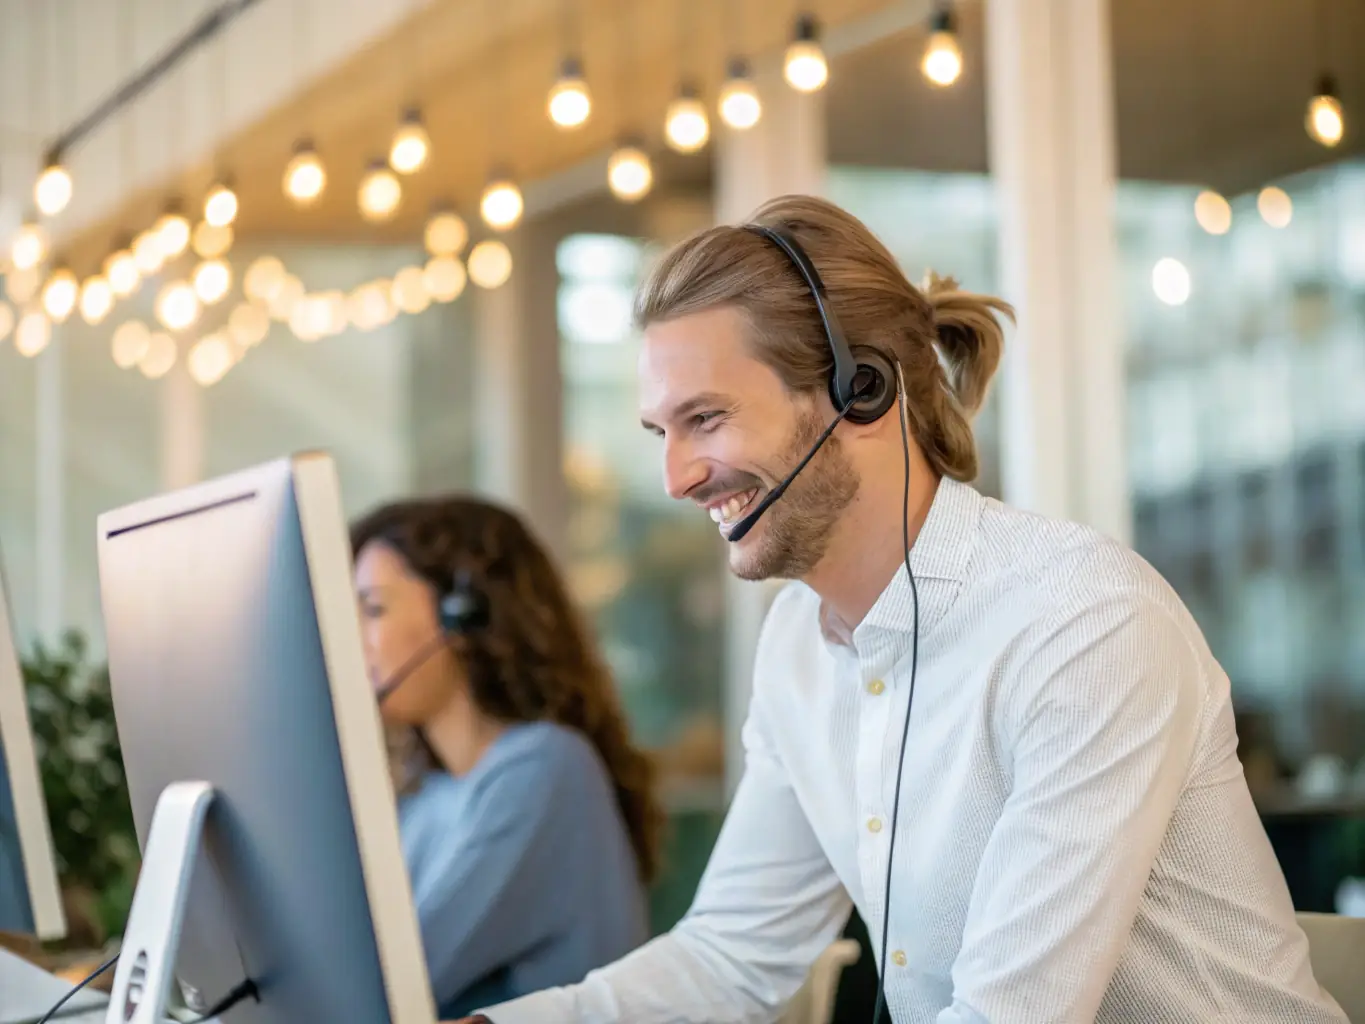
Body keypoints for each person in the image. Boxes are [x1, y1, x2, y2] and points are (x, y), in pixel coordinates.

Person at [459, 195, 1347, 1023]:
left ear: (862, 395)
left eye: (707, 418)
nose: (677, 478)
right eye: (663, 432)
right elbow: (729, 959)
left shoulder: (1081, 624)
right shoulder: (797, 649)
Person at [349, 496, 663, 1020]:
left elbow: (387, 985)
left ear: (462, 620)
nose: (354, 643)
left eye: (373, 610)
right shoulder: (430, 794)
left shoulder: (542, 770)